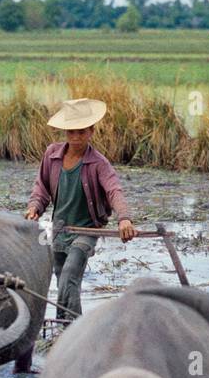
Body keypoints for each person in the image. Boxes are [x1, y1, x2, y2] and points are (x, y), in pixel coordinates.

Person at [24, 98, 135, 324]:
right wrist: (35, 207)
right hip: (60, 228)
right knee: (61, 278)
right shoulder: (52, 155)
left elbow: (114, 190)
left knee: (69, 276)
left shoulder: (98, 164)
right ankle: (65, 327)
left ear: (91, 131)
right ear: (65, 132)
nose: (76, 138)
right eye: (71, 132)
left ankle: (73, 329)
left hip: (86, 231)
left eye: (81, 132)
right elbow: (41, 188)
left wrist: (124, 219)